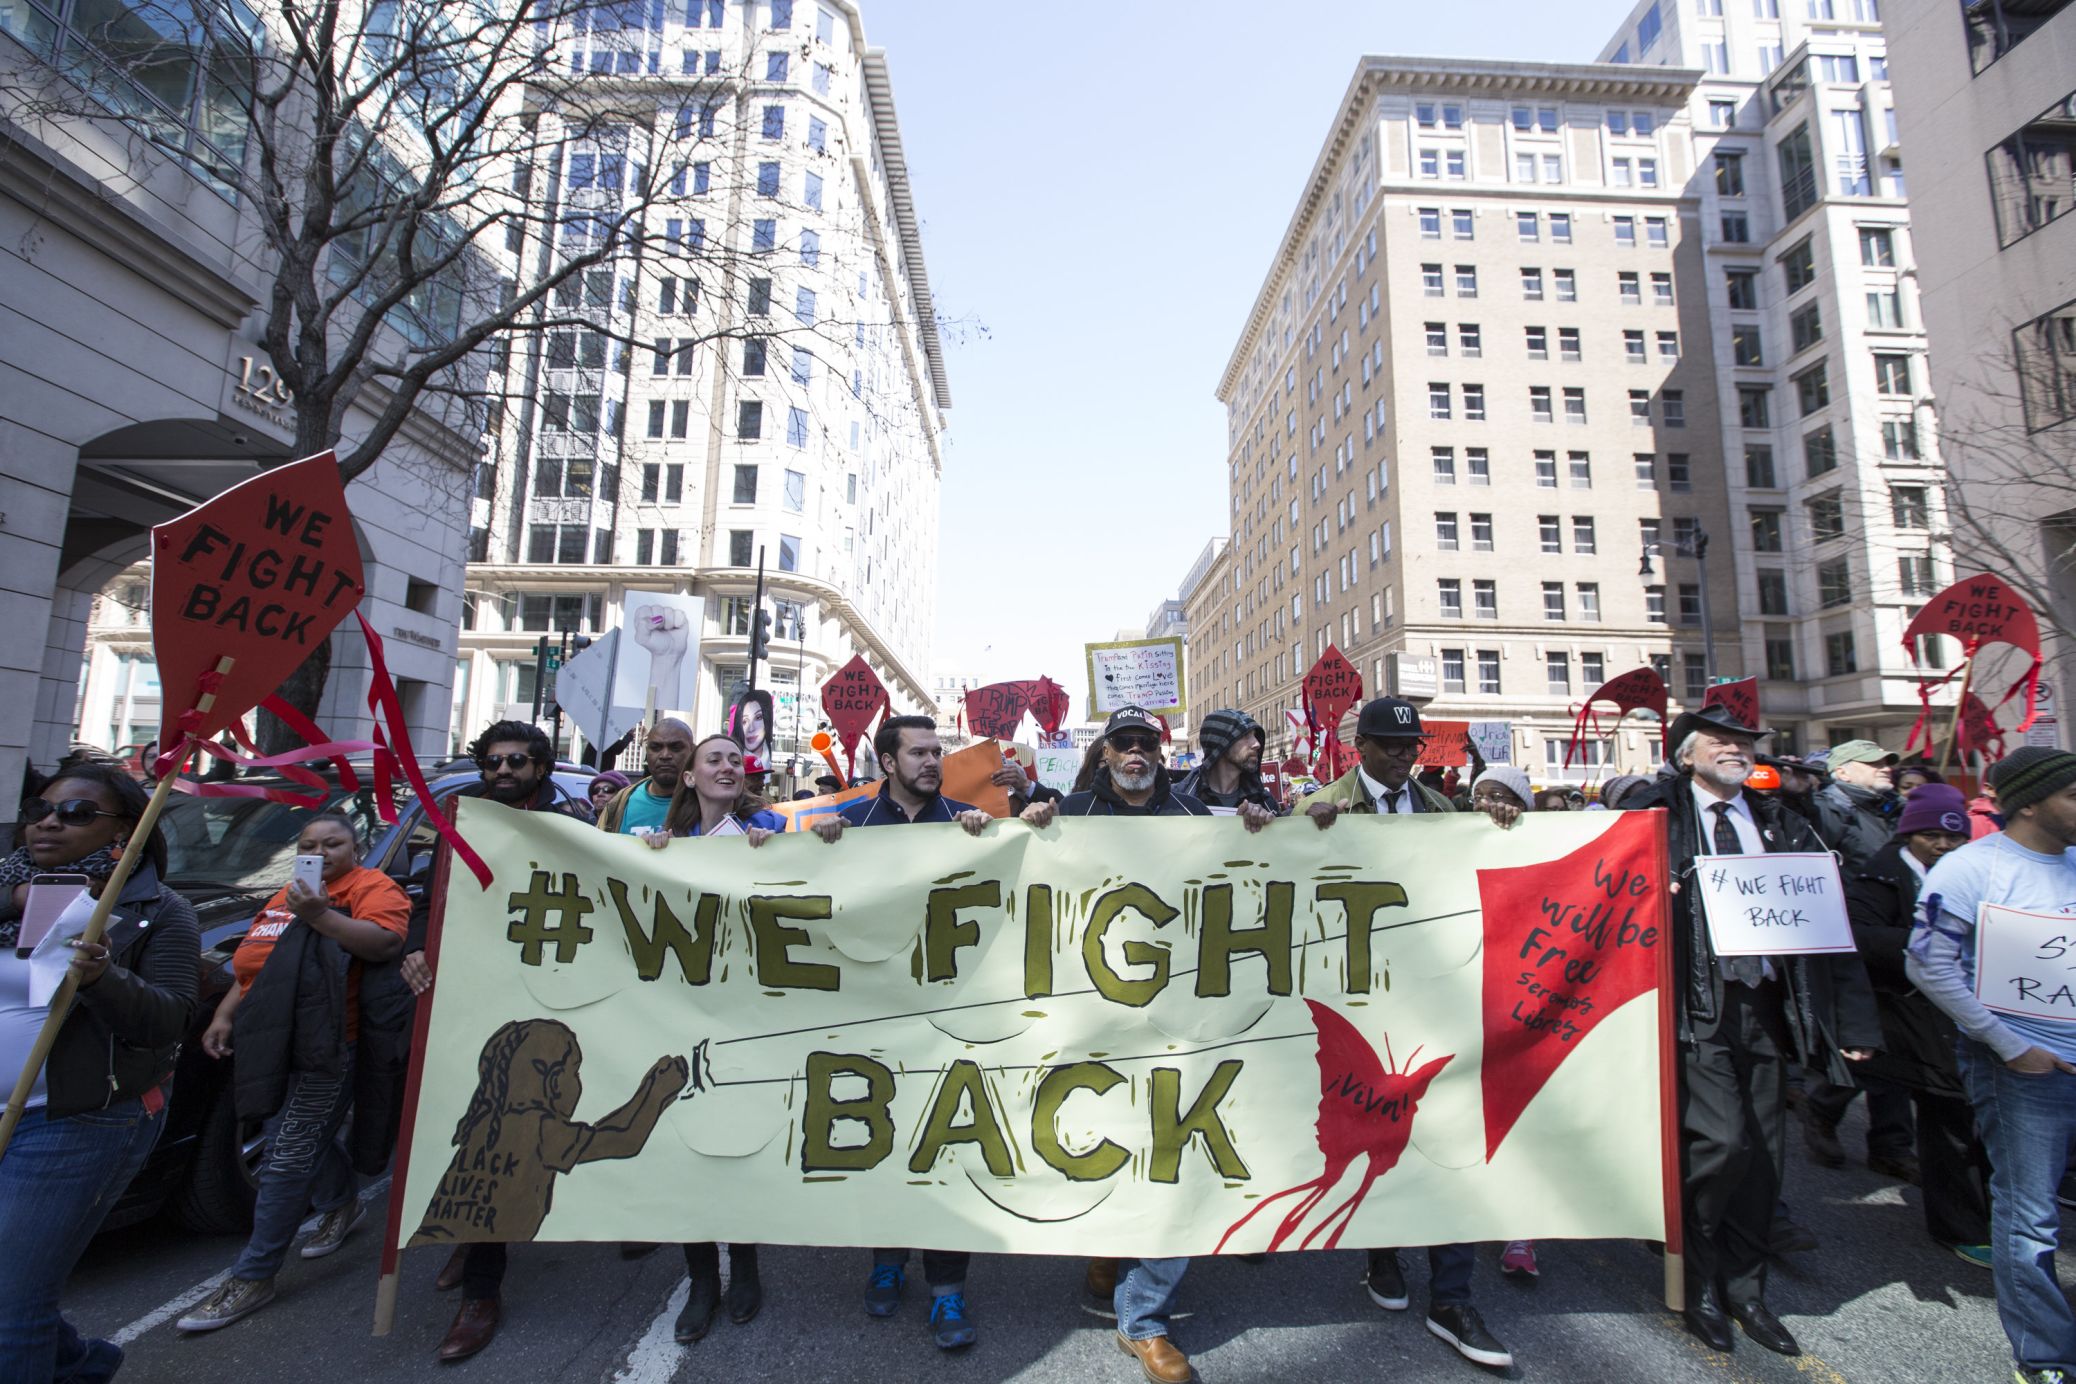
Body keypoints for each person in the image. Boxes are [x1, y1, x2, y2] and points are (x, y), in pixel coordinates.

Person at [1624, 704, 1880, 1358]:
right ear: (1685, 754)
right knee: (1722, 1143)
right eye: (1720, 740)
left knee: (1764, 1159)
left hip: (1768, 1009)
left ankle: (1746, 1291)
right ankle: (1697, 1278)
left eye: (1744, 741)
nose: (1736, 749)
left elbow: (1830, 926)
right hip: (1693, 1008)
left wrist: (1852, 1021)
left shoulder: (1784, 824)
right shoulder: (1653, 818)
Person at [1303, 698, 1514, 1370]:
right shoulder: (1320, 807)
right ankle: (1383, 1254)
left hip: (1435, 1001)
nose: (1403, 755)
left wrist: (1500, 826)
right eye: (1391, 744)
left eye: (1411, 745)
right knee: (1379, 1132)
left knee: (1449, 1139)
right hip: (1361, 999)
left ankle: (1452, 1296)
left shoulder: (1442, 809)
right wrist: (1302, 831)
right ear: (1359, 746)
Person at [809, 715, 1007, 1352]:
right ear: (888, 762)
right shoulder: (854, 822)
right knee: (885, 1141)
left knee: (947, 1149)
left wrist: (996, 833)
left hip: (950, 1015)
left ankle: (948, 1287)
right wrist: (819, 846)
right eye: (918, 752)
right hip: (876, 1016)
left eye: (937, 751)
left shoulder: (965, 821)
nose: (932, 761)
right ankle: (887, 1260)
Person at [0, 762, 199, 1381]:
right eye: (41, 810)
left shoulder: (157, 911)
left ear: (122, 832)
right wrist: (17, 898)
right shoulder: (11, 887)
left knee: (10, 1301)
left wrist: (102, 979)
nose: (49, 823)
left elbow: (170, 1020)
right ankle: (81, 1366)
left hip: (74, 1120)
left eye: (76, 813)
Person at [1062, 707, 1243, 1384]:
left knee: (1175, 1152)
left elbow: (1244, 877)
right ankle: (1109, 1245)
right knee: (1104, 1139)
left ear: (1161, 754)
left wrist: (1269, 828)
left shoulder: (1194, 816)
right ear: (1105, 753)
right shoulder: (1070, 814)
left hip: (1178, 1016)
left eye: (1147, 743)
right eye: (1124, 742)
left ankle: (1142, 1318)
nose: (1136, 752)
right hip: (1090, 1014)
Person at [177, 812, 411, 1333]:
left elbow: (384, 943)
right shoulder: (290, 892)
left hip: (327, 1045)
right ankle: (341, 1204)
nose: (320, 852)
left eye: (332, 844)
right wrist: (225, 1015)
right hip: (269, 1038)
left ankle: (254, 1275)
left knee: (286, 1154)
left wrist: (321, 915)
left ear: (356, 848)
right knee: (290, 1129)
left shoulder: (372, 888)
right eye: (309, 844)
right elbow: (258, 963)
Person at [414, 720, 592, 1361]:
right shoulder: (458, 821)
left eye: (518, 760)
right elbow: (430, 897)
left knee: (510, 1131)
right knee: (465, 1121)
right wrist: (415, 950)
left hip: (542, 992)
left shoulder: (570, 826)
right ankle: (471, 1242)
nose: (505, 770)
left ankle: (481, 1291)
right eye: (493, 761)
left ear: (541, 766)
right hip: (469, 989)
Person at [1908, 747, 2076, 1384]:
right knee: (2031, 1219)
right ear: (2028, 803)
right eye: (2074, 796)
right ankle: (2045, 1358)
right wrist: (2009, 1046)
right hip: (2025, 1074)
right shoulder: (1970, 870)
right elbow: (1928, 965)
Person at [633, 734, 785, 1342]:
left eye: (734, 760)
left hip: (747, 1020)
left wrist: (788, 854)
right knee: (685, 1149)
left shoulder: (772, 829)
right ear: (691, 777)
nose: (727, 766)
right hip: (677, 1020)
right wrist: (648, 859)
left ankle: (744, 1266)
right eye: (713, 759)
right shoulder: (660, 843)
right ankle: (701, 1279)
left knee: (737, 1144)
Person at [1843, 784, 1989, 1263]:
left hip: (1969, 1009)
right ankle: (1959, 1225)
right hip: (1908, 1011)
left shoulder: (1974, 872)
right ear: (1909, 835)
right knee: (1947, 1115)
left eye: (1955, 838)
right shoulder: (1880, 874)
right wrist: (1927, 943)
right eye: (1931, 836)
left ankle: (1995, 1216)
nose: (1944, 846)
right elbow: (1859, 935)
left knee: (1975, 1116)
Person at [1803, 739, 1913, 1180]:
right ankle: (1823, 1107)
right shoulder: (1828, 809)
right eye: (1873, 763)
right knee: (1864, 1040)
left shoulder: (1895, 810)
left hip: (1895, 935)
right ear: (1843, 772)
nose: (1885, 768)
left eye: (1887, 762)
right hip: (1849, 937)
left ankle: (1891, 1145)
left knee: (1901, 1043)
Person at [1172, 709, 1282, 814]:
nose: (1257, 744)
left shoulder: (1266, 803)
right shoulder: (1176, 799)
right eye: (1245, 736)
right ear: (1221, 745)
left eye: (1254, 736)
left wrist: (1266, 823)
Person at [595, 718, 695, 835]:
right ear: (647, 751)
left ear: (692, 750)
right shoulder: (618, 804)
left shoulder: (707, 801)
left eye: (675, 748)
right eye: (656, 748)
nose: (665, 755)